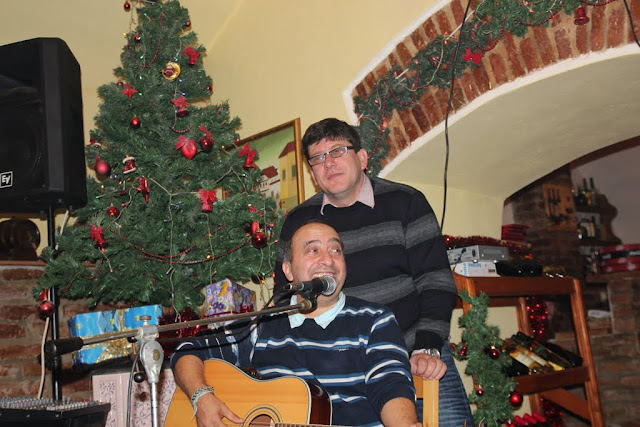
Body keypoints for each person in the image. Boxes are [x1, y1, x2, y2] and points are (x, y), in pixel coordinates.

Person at [275, 118, 473, 426]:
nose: (329, 163)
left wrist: (427, 346)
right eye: (318, 158)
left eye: (338, 151)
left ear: (362, 158)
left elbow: (435, 280)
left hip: (414, 351)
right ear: (312, 173)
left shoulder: (406, 202)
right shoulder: (299, 222)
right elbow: (286, 297)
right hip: (338, 369)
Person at [171, 221, 424, 427]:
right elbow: (189, 350)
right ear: (289, 271)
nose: (328, 260)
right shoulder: (264, 324)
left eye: (336, 250)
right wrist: (201, 398)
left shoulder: (374, 320)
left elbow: (391, 387)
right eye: (313, 250)